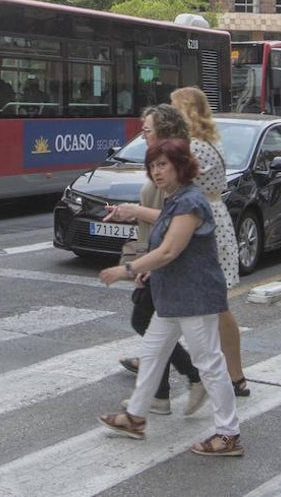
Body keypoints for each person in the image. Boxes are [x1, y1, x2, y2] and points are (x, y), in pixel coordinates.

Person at [98, 138, 242, 457]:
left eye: (163, 164)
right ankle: (135, 417)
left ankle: (229, 434)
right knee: (151, 354)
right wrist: (150, 265)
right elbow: (166, 245)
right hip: (173, 297)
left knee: (209, 364)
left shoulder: (191, 201)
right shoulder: (175, 200)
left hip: (194, 298)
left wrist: (127, 269)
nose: (157, 172)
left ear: (181, 166)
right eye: (152, 166)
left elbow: (169, 250)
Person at [104, 104, 203, 415]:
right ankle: (159, 397)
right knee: (153, 327)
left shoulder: (177, 166)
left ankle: (193, 381)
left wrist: (134, 213)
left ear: (164, 131)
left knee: (148, 324)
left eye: (147, 129)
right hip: (156, 259)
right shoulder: (160, 163)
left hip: (168, 263)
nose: (142, 134)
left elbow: (178, 216)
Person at [171, 86, 249, 397]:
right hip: (210, 217)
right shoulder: (206, 142)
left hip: (201, 222)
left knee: (213, 305)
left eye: (174, 109)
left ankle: (231, 375)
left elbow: (176, 186)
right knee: (208, 303)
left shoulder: (196, 148)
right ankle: (232, 375)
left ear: (186, 112)